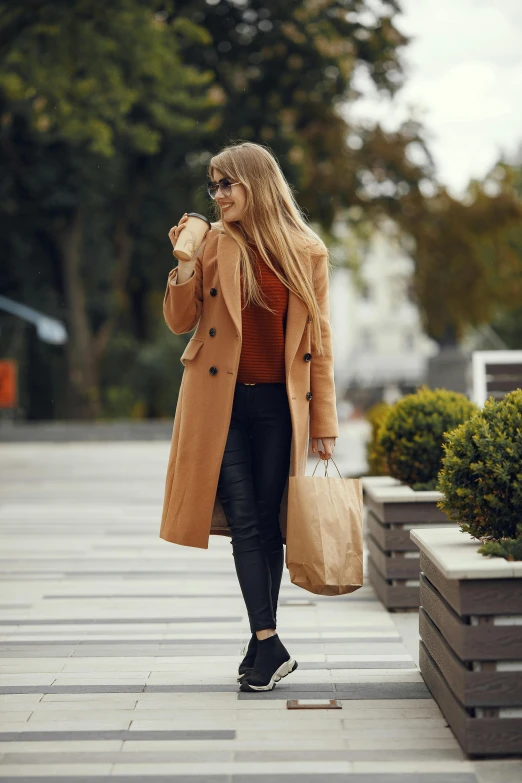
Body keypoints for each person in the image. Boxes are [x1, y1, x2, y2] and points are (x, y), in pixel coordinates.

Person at [162, 142, 338, 692]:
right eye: (213, 186)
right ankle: (268, 639)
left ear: (255, 183)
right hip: (222, 403)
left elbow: (320, 342)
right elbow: (179, 320)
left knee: (267, 524)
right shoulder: (214, 241)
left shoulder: (307, 251)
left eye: (226, 184)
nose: (218, 196)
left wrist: (326, 423)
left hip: (280, 409)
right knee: (244, 522)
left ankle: (262, 646)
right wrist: (185, 264)